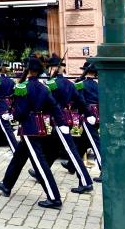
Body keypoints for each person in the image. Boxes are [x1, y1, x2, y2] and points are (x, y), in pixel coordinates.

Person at [0, 58, 64, 209]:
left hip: (29, 128)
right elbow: (54, 106)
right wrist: (62, 123)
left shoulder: (23, 87)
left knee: (40, 164)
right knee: (19, 156)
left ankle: (54, 197)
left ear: (28, 70)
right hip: (38, 125)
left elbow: (21, 111)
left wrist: (12, 116)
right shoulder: (44, 88)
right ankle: (7, 184)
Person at [40, 53, 94, 193]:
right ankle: (41, 172)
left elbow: (47, 102)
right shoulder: (70, 84)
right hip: (67, 118)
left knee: (71, 151)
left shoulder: (51, 84)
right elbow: (80, 101)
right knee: (52, 147)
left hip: (59, 120)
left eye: (50, 69)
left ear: (53, 69)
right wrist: (88, 114)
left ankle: (85, 181)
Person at [73, 61, 102, 179]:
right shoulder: (97, 85)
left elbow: (79, 100)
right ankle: (72, 165)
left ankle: (104, 169)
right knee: (83, 142)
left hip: (87, 114)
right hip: (97, 114)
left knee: (95, 142)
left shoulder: (81, 84)